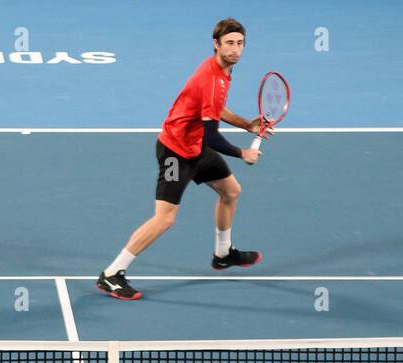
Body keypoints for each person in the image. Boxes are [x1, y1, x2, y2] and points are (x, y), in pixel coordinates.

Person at [95, 17, 272, 301]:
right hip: (175, 153)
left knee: (231, 191)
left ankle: (223, 254)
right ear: (216, 44)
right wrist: (242, 152)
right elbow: (212, 135)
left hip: (196, 147)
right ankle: (112, 274)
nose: (235, 49)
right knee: (164, 219)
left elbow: (215, 109)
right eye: (229, 44)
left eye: (240, 44)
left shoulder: (223, 71)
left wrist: (246, 125)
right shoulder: (212, 78)